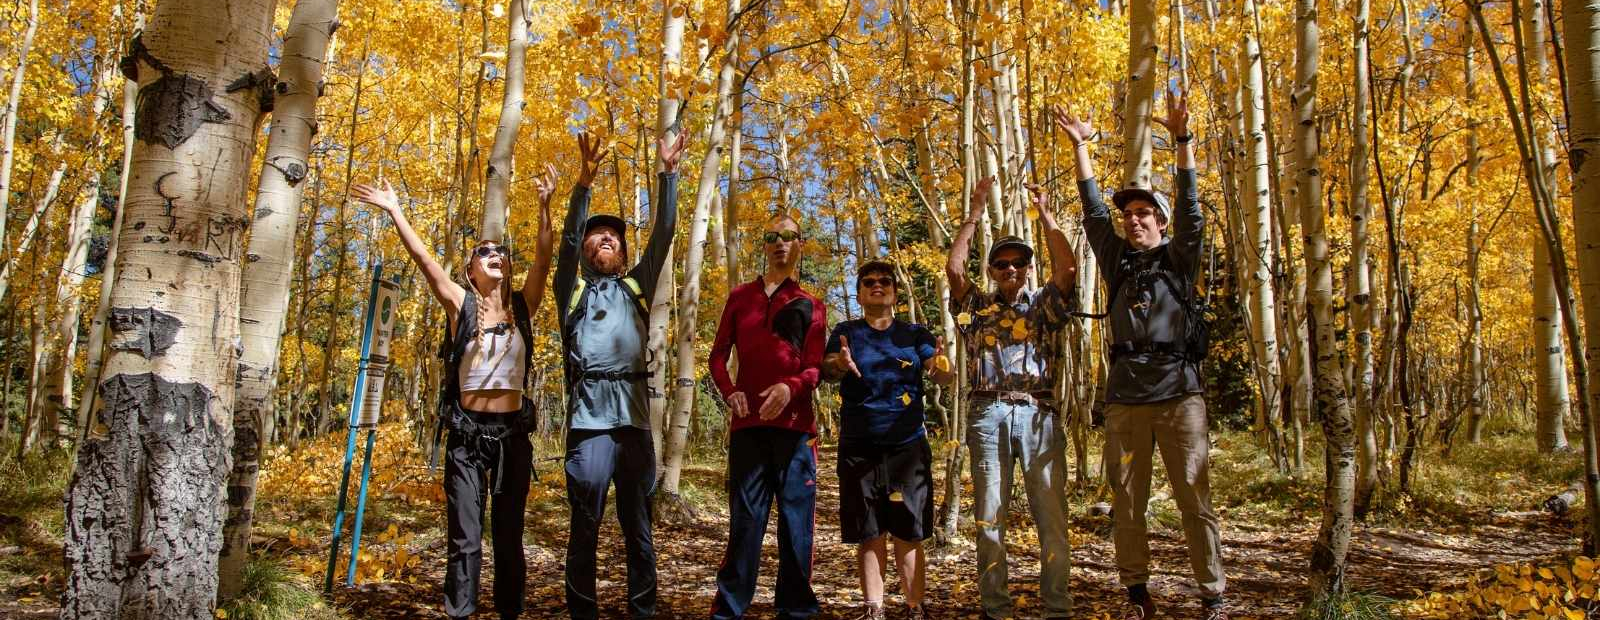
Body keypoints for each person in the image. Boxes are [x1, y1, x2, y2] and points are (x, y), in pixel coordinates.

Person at [353, 163, 557, 620]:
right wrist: (394, 211)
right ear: (469, 271)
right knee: (465, 536)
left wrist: (545, 207)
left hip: (512, 438)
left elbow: (544, 258)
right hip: (466, 439)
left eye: (500, 252)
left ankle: (510, 612)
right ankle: (459, 612)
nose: (495, 255)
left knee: (508, 535)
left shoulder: (524, 305)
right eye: (483, 252)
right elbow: (426, 261)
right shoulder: (459, 305)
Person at [1055, 88, 1229, 620]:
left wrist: (1181, 140)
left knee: (1194, 502)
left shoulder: (1180, 257)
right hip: (1126, 400)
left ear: (1159, 219)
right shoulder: (1116, 262)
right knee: (1128, 503)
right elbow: (1090, 211)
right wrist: (1081, 147)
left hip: (1180, 396)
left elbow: (1192, 210)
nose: (1133, 220)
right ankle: (1136, 593)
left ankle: (1212, 593)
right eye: (1128, 213)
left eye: (1143, 212)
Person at [554, 130, 688, 620]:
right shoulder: (571, 289)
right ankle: (582, 612)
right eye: (598, 232)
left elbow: (665, 232)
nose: (607, 236)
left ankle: (642, 610)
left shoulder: (637, 285)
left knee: (638, 526)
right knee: (584, 524)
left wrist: (668, 175)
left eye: (614, 234)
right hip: (588, 425)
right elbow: (566, 244)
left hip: (633, 424)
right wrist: (583, 183)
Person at [945, 176, 1079, 620]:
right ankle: (994, 608)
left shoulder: (1044, 307)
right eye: (1001, 263)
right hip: (987, 411)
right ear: (991, 271)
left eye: (1018, 262)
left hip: (1039, 413)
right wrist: (975, 213)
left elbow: (1068, 270)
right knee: (990, 516)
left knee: (1051, 517)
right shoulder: (976, 309)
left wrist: (1045, 215)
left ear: (1027, 268)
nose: (1009, 270)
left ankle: (1057, 608)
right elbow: (953, 270)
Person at [707, 212, 827, 620]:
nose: (780, 243)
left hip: (796, 433)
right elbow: (717, 356)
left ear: (800, 245)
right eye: (771, 236)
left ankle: (795, 609)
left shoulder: (812, 305)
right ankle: (729, 609)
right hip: (748, 431)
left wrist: (789, 387)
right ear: (764, 245)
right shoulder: (741, 297)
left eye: (788, 237)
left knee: (797, 529)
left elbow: (814, 369)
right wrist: (731, 392)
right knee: (745, 525)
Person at [823, 261, 954, 620]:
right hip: (859, 446)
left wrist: (942, 363)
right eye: (869, 282)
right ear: (860, 292)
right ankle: (874, 609)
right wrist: (839, 363)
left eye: (884, 282)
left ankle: (914, 607)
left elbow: (942, 375)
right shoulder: (845, 332)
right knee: (870, 531)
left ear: (895, 292)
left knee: (908, 531)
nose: (877, 286)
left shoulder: (915, 334)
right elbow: (829, 370)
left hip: (906, 447)